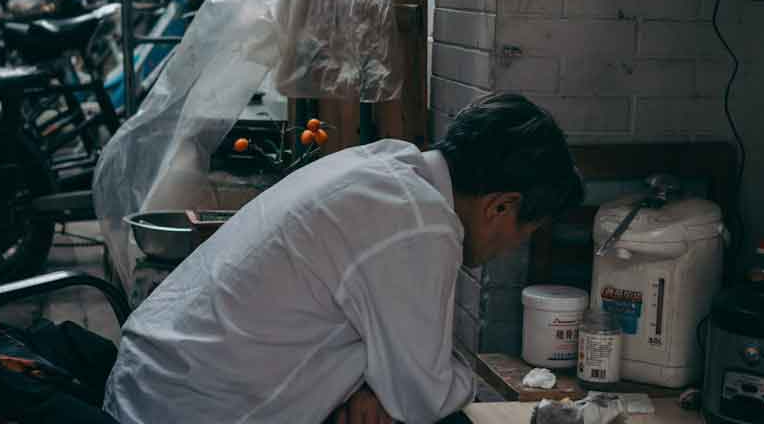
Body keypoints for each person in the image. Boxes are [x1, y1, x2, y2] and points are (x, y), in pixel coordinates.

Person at [102, 93, 585, 424]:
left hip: (151, 383)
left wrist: (378, 384)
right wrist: (401, 382)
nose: (511, 248)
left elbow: (400, 370)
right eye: (524, 232)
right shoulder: (420, 224)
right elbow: (425, 397)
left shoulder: (386, 163)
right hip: (181, 410)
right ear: (501, 206)